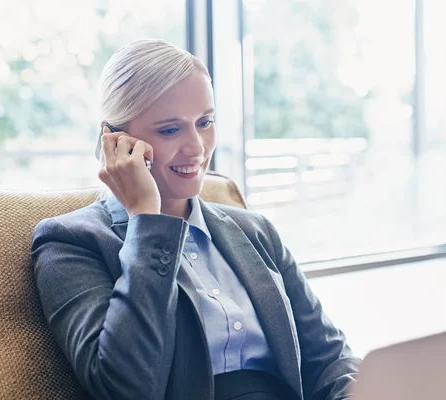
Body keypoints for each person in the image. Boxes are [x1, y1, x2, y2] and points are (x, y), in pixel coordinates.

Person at [31, 39, 360, 400]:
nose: (197, 147)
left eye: (205, 122)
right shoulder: (69, 242)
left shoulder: (255, 230)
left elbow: (329, 358)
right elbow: (125, 388)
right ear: (115, 141)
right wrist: (146, 221)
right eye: (170, 129)